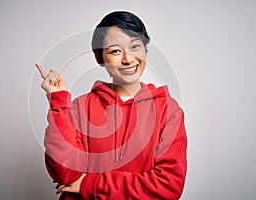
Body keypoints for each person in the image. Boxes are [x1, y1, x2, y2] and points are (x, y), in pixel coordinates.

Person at [36, 11, 187, 200]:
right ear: (99, 58)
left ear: (145, 50)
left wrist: (91, 184)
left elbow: (168, 186)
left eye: (135, 46)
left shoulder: (167, 110)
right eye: (116, 50)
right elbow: (66, 174)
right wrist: (58, 100)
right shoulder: (80, 108)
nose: (128, 59)